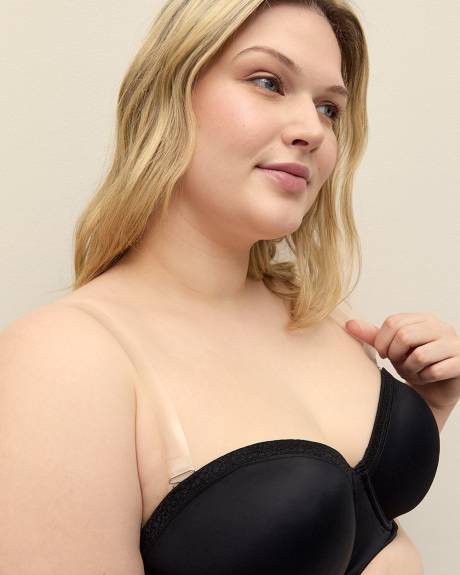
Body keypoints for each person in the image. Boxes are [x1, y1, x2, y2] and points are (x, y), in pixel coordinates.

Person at [1, 1, 449, 574]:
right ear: (170, 94)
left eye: (329, 108)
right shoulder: (63, 360)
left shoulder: (322, 315)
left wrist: (430, 407)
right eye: (268, 82)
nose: (312, 130)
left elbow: (353, 527)